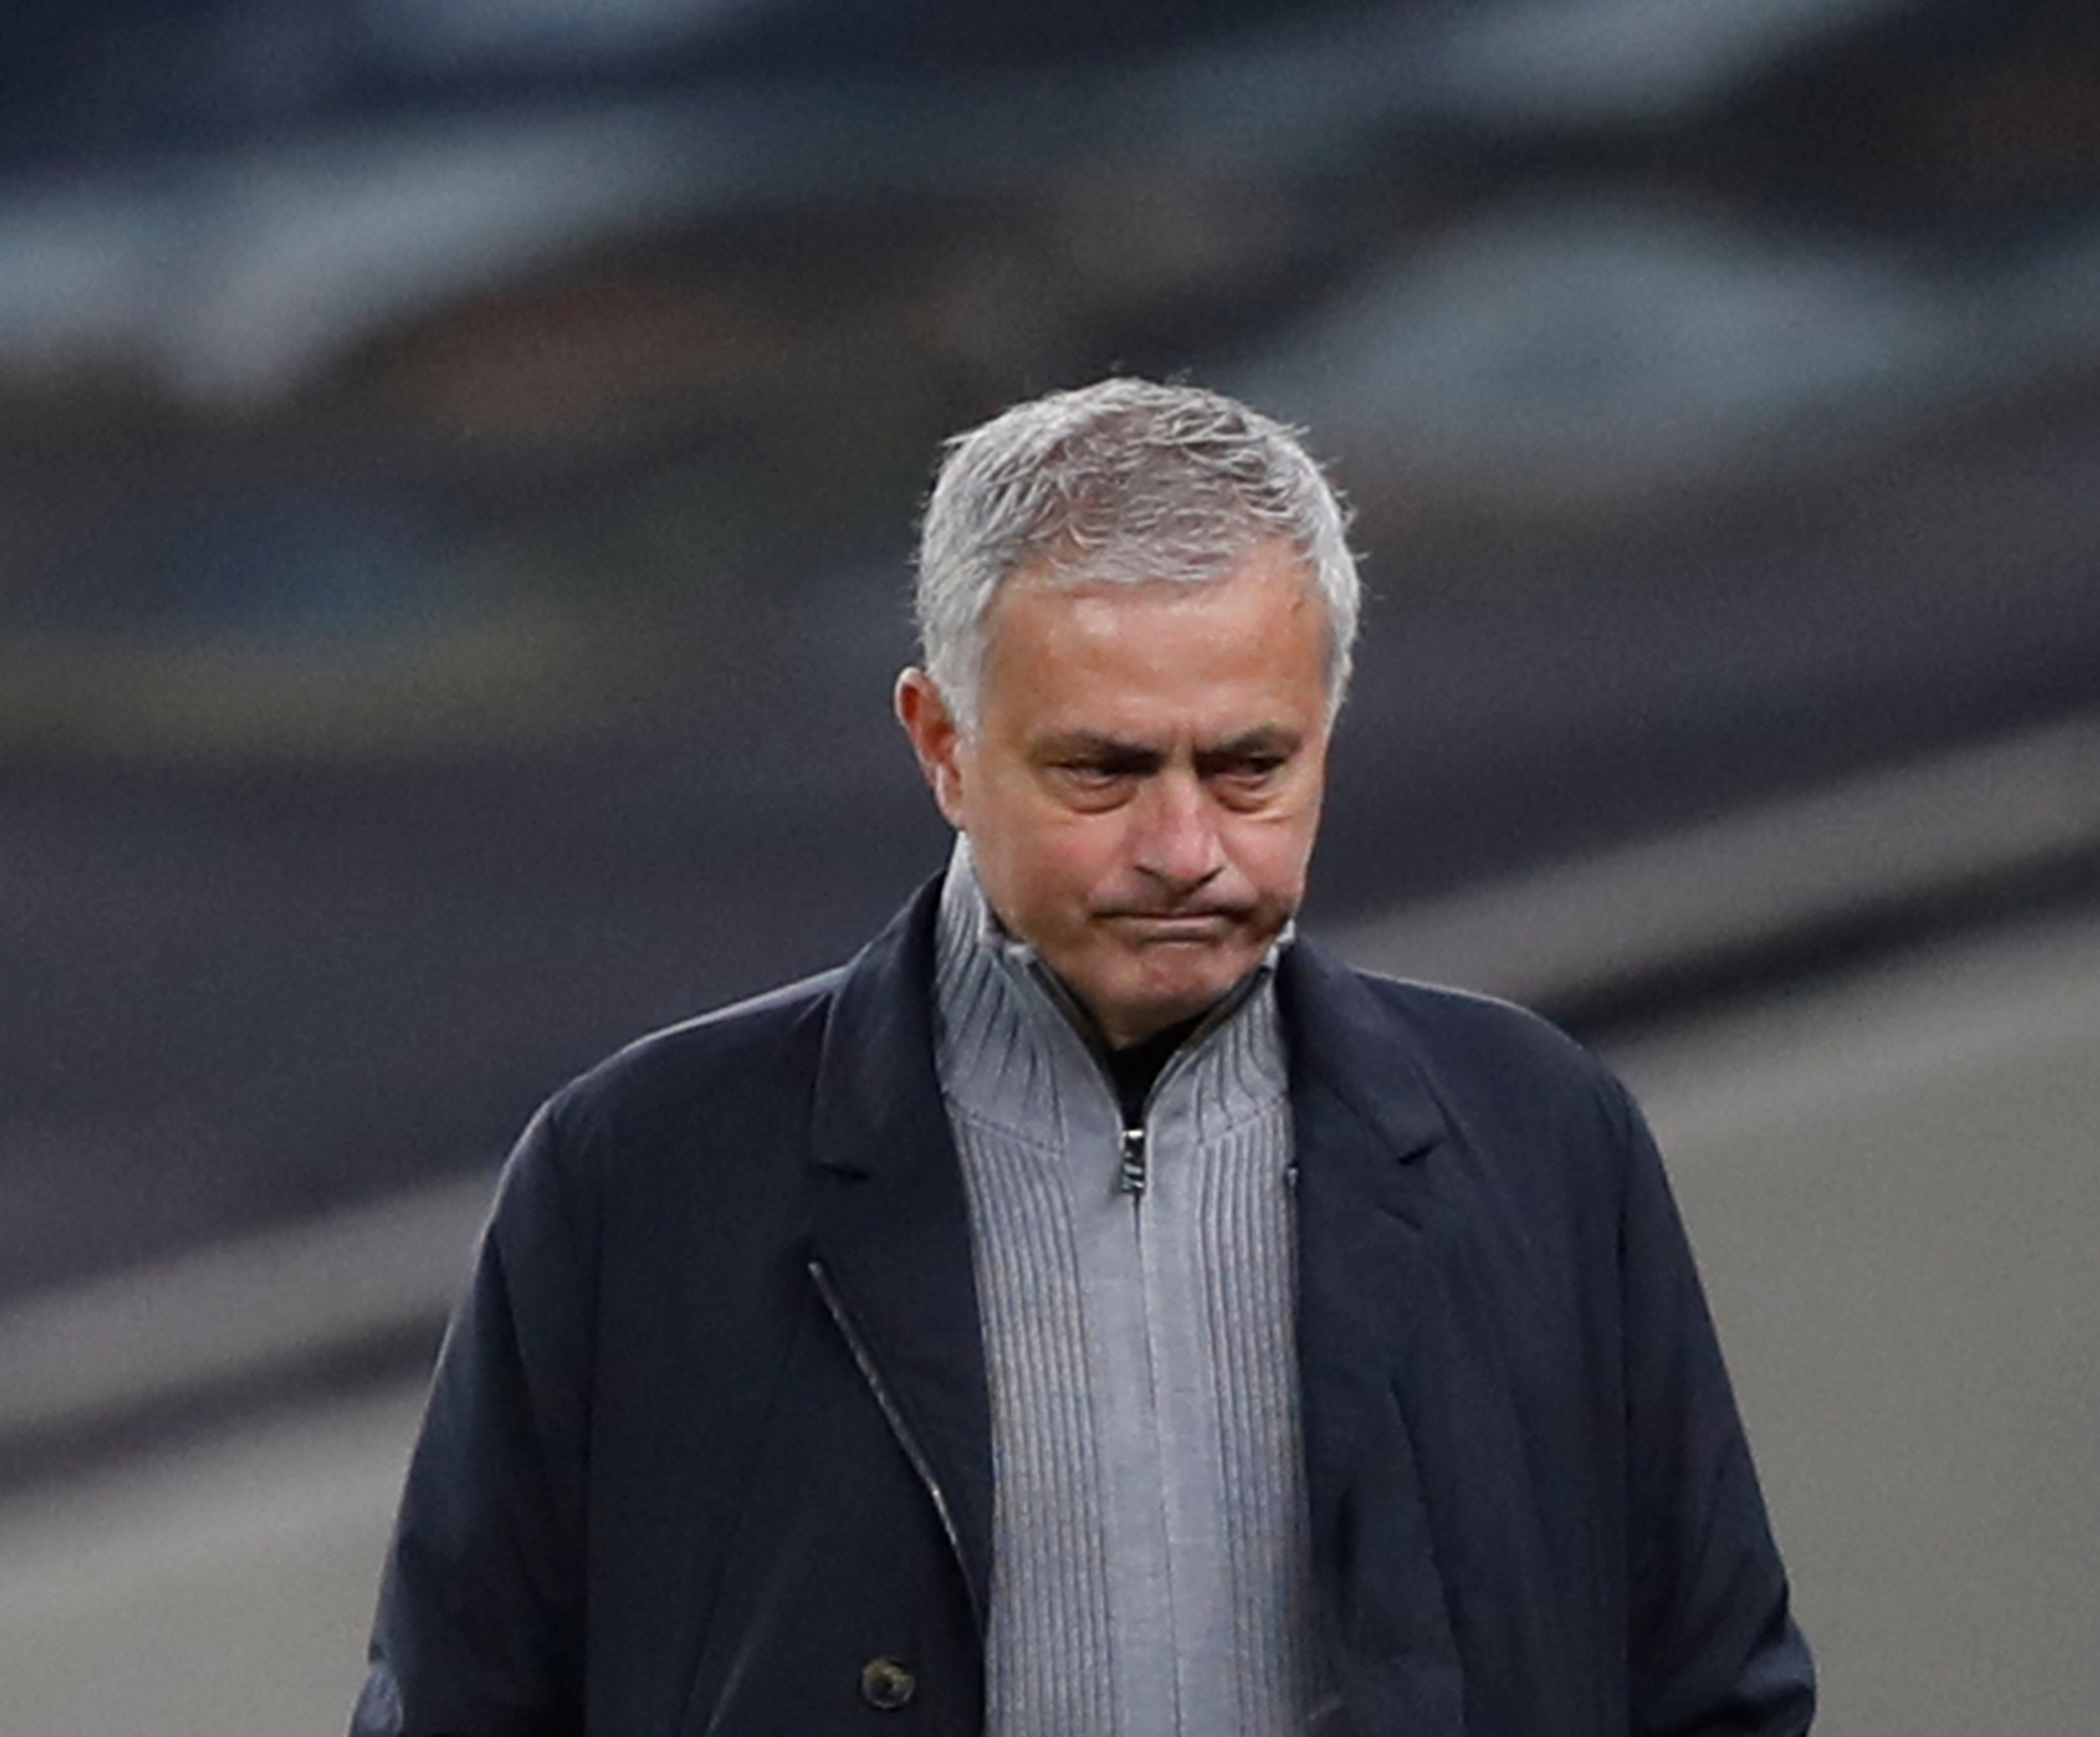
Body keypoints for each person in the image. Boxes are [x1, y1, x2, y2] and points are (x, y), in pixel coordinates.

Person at [352, 378, 1815, 1736]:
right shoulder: (640, 1181)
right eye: (1103, 772)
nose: (1185, 850)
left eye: (1251, 767)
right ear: (941, 743)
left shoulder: (1543, 1139)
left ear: (1329, 732)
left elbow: (1718, 1696)